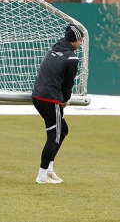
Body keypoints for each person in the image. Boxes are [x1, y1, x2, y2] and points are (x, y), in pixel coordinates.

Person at [31, 23, 84, 184]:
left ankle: (49, 170)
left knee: (63, 130)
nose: (81, 43)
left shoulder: (54, 49)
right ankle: (42, 176)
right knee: (54, 135)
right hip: (50, 99)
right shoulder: (72, 58)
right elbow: (68, 84)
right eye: (80, 40)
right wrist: (65, 100)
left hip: (38, 96)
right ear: (74, 40)